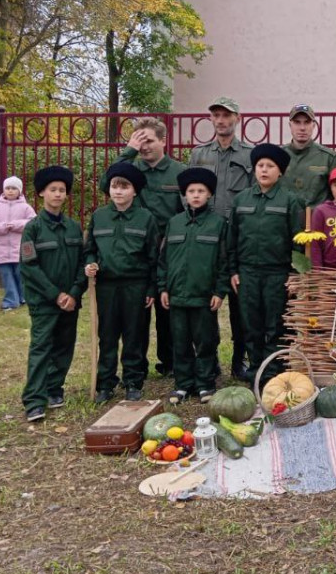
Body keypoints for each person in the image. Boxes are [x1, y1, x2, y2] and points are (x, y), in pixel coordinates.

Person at [103, 118, 187, 377]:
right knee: (136, 312)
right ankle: (135, 364)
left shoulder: (179, 172)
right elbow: (105, 183)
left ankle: (169, 361)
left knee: (166, 307)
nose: (144, 146)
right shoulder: (132, 168)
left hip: (167, 248)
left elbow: (187, 210)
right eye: (138, 141)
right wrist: (128, 151)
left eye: (148, 140)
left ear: (163, 140)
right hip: (134, 250)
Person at [228, 144, 304, 384]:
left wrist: (296, 274)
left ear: (280, 171)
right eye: (260, 165)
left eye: (270, 166)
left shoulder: (291, 201)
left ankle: (274, 371)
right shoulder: (241, 200)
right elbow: (232, 238)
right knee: (251, 324)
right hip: (248, 273)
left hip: (278, 273)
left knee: (276, 324)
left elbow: (299, 241)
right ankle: (255, 370)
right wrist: (233, 270)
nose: (264, 170)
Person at [190, 96, 254, 381]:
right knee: (206, 303)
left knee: (240, 307)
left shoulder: (249, 155)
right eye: (216, 115)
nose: (221, 120)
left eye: (227, 115)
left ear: (237, 119)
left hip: (237, 237)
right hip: (206, 240)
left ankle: (240, 360)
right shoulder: (199, 154)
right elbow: (189, 195)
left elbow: (255, 195)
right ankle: (209, 359)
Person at [84, 161, 159, 403]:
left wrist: (151, 288)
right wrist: (91, 263)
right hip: (106, 286)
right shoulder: (99, 216)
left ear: (134, 191)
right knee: (107, 336)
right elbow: (90, 249)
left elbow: (154, 257)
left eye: (124, 186)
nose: (118, 191)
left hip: (135, 286)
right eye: (115, 186)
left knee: (134, 335)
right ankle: (105, 383)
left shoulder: (146, 218)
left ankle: (133, 381)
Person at [158, 168, 230, 405]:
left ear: (209, 194)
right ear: (184, 195)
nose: (196, 195)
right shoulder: (174, 223)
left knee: (205, 341)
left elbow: (224, 261)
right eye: (191, 191)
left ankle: (205, 384)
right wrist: (163, 288)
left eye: (201, 191)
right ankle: (183, 384)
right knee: (179, 341)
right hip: (177, 295)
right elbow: (163, 259)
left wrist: (220, 291)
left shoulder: (219, 224)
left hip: (204, 296)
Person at [19, 166, 85, 423]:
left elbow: (82, 263)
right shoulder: (33, 229)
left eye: (62, 191)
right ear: (42, 194)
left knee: (64, 347)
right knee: (41, 348)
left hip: (70, 301)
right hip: (45, 302)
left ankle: (54, 389)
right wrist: (55, 295)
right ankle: (34, 400)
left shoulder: (73, 228)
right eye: (52, 190)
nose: (58, 195)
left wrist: (74, 292)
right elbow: (29, 266)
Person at [0, 176, 36, 311]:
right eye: (7, 188)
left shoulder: (26, 207)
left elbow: (33, 222)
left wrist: (15, 225)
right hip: (0, 247)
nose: (10, 191)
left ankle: (22, 296)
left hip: (20, 247)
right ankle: (11, 300)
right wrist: (2, 227)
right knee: (6, 275)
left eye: (13, 188)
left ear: (19, 191)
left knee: (21, 274)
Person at [283, 103, 336, 207]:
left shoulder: (329, 158)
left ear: (313, 125)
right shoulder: (278, 156)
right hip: (284, 220)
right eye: (297, 122)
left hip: (316, 220)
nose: (302, 128)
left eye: (307, 122)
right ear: (290, 125)